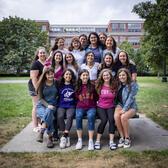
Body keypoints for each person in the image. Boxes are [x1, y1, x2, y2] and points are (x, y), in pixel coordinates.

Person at [114, 68, 138, 148]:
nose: (121, 77)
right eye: (120, 75)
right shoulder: (118, 84)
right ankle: (122, 137)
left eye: (123, 75)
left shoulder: (133, 84)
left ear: (127, 75)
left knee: (123, 117)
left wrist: (124, 109)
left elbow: (131, 98)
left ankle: (127, 138)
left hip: (131, 106)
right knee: (116, 116)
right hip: (120, 105)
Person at [95, 69, 118, 150]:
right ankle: (97, 141)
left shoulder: (114, 85)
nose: (106, 76)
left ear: (110, 76)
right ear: (102, 76)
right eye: (104, 75)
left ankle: (111, 142)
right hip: (100, 106)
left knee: (112, 120)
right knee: (104, 120)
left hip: (111, 106)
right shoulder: (99, 85)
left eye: (107, 75)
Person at [75, 69, 97, 150]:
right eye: (83, 75)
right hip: (80, 106)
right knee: (78, 116)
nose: (85, 76)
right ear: (80, 76)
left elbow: (96, 97)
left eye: (86, 75)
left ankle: (90, 140)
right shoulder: (77, 86)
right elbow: (75, 98)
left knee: (91, 116)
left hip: (91, 107)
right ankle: (79, 140)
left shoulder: (92, 86)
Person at [36, 67, 58, 148]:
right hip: (42, 105)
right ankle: (50, 138)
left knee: (49, 111)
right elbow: (40, 99)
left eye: (52, 74)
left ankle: (42, 131)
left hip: (53, 105)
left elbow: (59, 94)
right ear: (45, 75)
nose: (50, 76)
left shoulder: (56, 82)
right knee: (49, 115)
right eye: (48, 74)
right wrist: (47, 105)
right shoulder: (42, 84)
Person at [28, 47, 47, 132]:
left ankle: (40, 123)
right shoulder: (35, 64)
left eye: (43, 52)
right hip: (34, 87)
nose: (42, 54)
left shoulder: (46, 63)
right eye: (40, 53)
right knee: (36, 106)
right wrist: (37, 90)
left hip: (42, 87)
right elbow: (34, 78)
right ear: (38, 54)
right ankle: (35, 126)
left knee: (41, 106)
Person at [57, 69, 76, 149]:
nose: (68, 76)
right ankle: (66, 136)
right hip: (61, 105)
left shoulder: (74, 85)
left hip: (71, 105)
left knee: (70, 116)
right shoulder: (60, 85)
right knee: (60, 116)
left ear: (72, 76)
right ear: (63, 76)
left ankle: (64, 136)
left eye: (70, 74)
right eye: (66, 74)